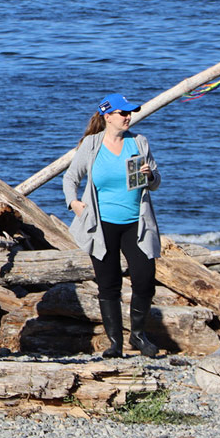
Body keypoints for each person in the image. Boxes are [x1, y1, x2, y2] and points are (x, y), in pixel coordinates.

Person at [63, 93, 161, 359]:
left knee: (144, 280)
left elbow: (155, 182)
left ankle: (138, 336)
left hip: (136, 223)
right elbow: (71, 177)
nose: (128, 117)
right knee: (109, 284)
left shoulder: (139, 142)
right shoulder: (92, 145)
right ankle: (115, 344)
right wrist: (74, 203)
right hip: (102, 224)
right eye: (123, 113)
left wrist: (150, 175)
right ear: (108, 117)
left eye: (129, 113)